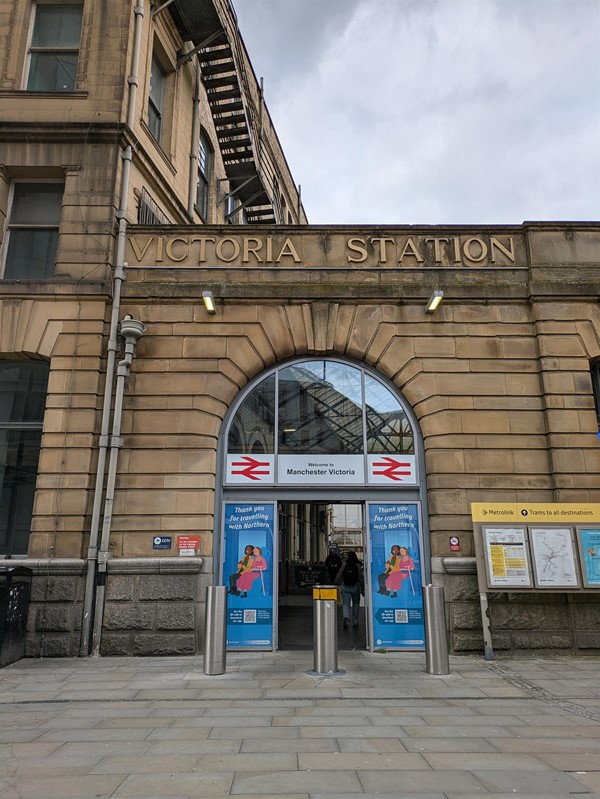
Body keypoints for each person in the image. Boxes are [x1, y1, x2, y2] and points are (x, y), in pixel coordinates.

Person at [336, 550, 363, 628]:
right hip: (355, 587)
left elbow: (339, 574)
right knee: (356, 604)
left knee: (345, 604)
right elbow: (360, 577)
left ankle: (346, 617)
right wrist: (362, 587)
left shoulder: (344, 564)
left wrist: (336, 581)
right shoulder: (358, 565)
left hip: (345, 586)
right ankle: (355, 621)